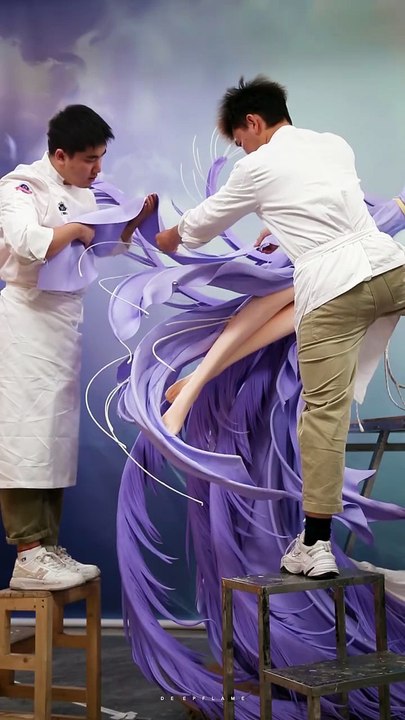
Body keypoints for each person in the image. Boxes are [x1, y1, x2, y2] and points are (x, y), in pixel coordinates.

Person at [156, 76, 405, 579]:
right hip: (390, 267)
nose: (243, 151)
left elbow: (199, 227)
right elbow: (323, 200)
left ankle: (315, 544)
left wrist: (162, 238)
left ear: (252, 122)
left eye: (241, 141)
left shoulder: (256, 167)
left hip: (332, 290)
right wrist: (280, 221)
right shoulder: (333, 144)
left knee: (323, 416)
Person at [0, 104, 156, 590]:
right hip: (27, 317)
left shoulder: (85, 191)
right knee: (25, 432)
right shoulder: (21, 187)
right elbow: (28, 241)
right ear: (60, 155)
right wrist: (74, 229)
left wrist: (129, 225)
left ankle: (47, 546)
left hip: (65, 319)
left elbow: (100, 246)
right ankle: (27, 551)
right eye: (89, 159)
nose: (97, 169)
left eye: (101, 157)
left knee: (54, 435)